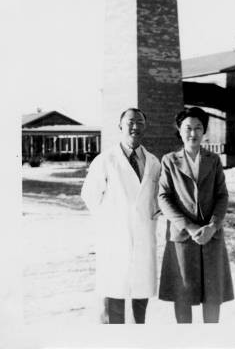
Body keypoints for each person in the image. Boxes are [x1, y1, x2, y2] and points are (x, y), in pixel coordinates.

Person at [81, 108, 160, 324]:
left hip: (143, 237)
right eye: (130, 122)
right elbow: (89, 195)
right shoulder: (105, 160)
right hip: (115, 238)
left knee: (140, 296)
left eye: (140, 122)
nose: (135, 127)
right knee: (114, 296)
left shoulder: (153, 162)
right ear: (120, 126)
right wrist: (111, 222)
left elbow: (158, 197)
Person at [158, 107, 234, 323]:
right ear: (179, 132)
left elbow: (222, 195)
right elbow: (163, 198)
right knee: (183, 293)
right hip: (183, 237)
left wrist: (212, 226)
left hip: (212, 236)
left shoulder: (214, 159)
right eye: (188, 128)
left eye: (198, 128)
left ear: (205, 132)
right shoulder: (169, 160)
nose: (193, 133)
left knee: (212, 296)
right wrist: (190, 227)